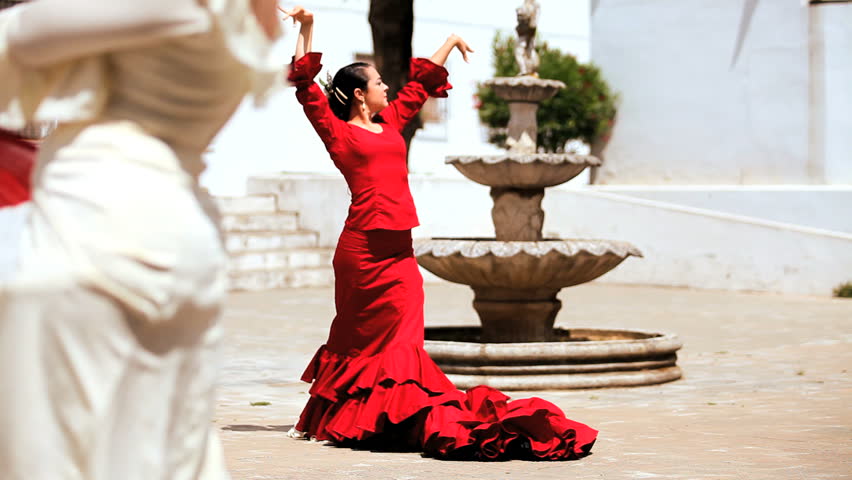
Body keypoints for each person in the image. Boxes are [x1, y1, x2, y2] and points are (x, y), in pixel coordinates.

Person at [284, 6, 598, 461]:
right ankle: (342, 418)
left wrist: (450, 42)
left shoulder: (389, 121)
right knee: (355, 338)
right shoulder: (337, 133)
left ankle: (398, 415)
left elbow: (417, 88)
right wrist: (308, 25)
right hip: (361, 252)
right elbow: (305, 86)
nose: (385, 87)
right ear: (357, 95)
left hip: (399, 252)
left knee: (405, 337)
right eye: (376, 83)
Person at [0, 1, 286, 478]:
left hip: (94, 232)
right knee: (152, 449)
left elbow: (19, 32)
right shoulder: (244, 12)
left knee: (56, 450)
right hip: (177, 235)